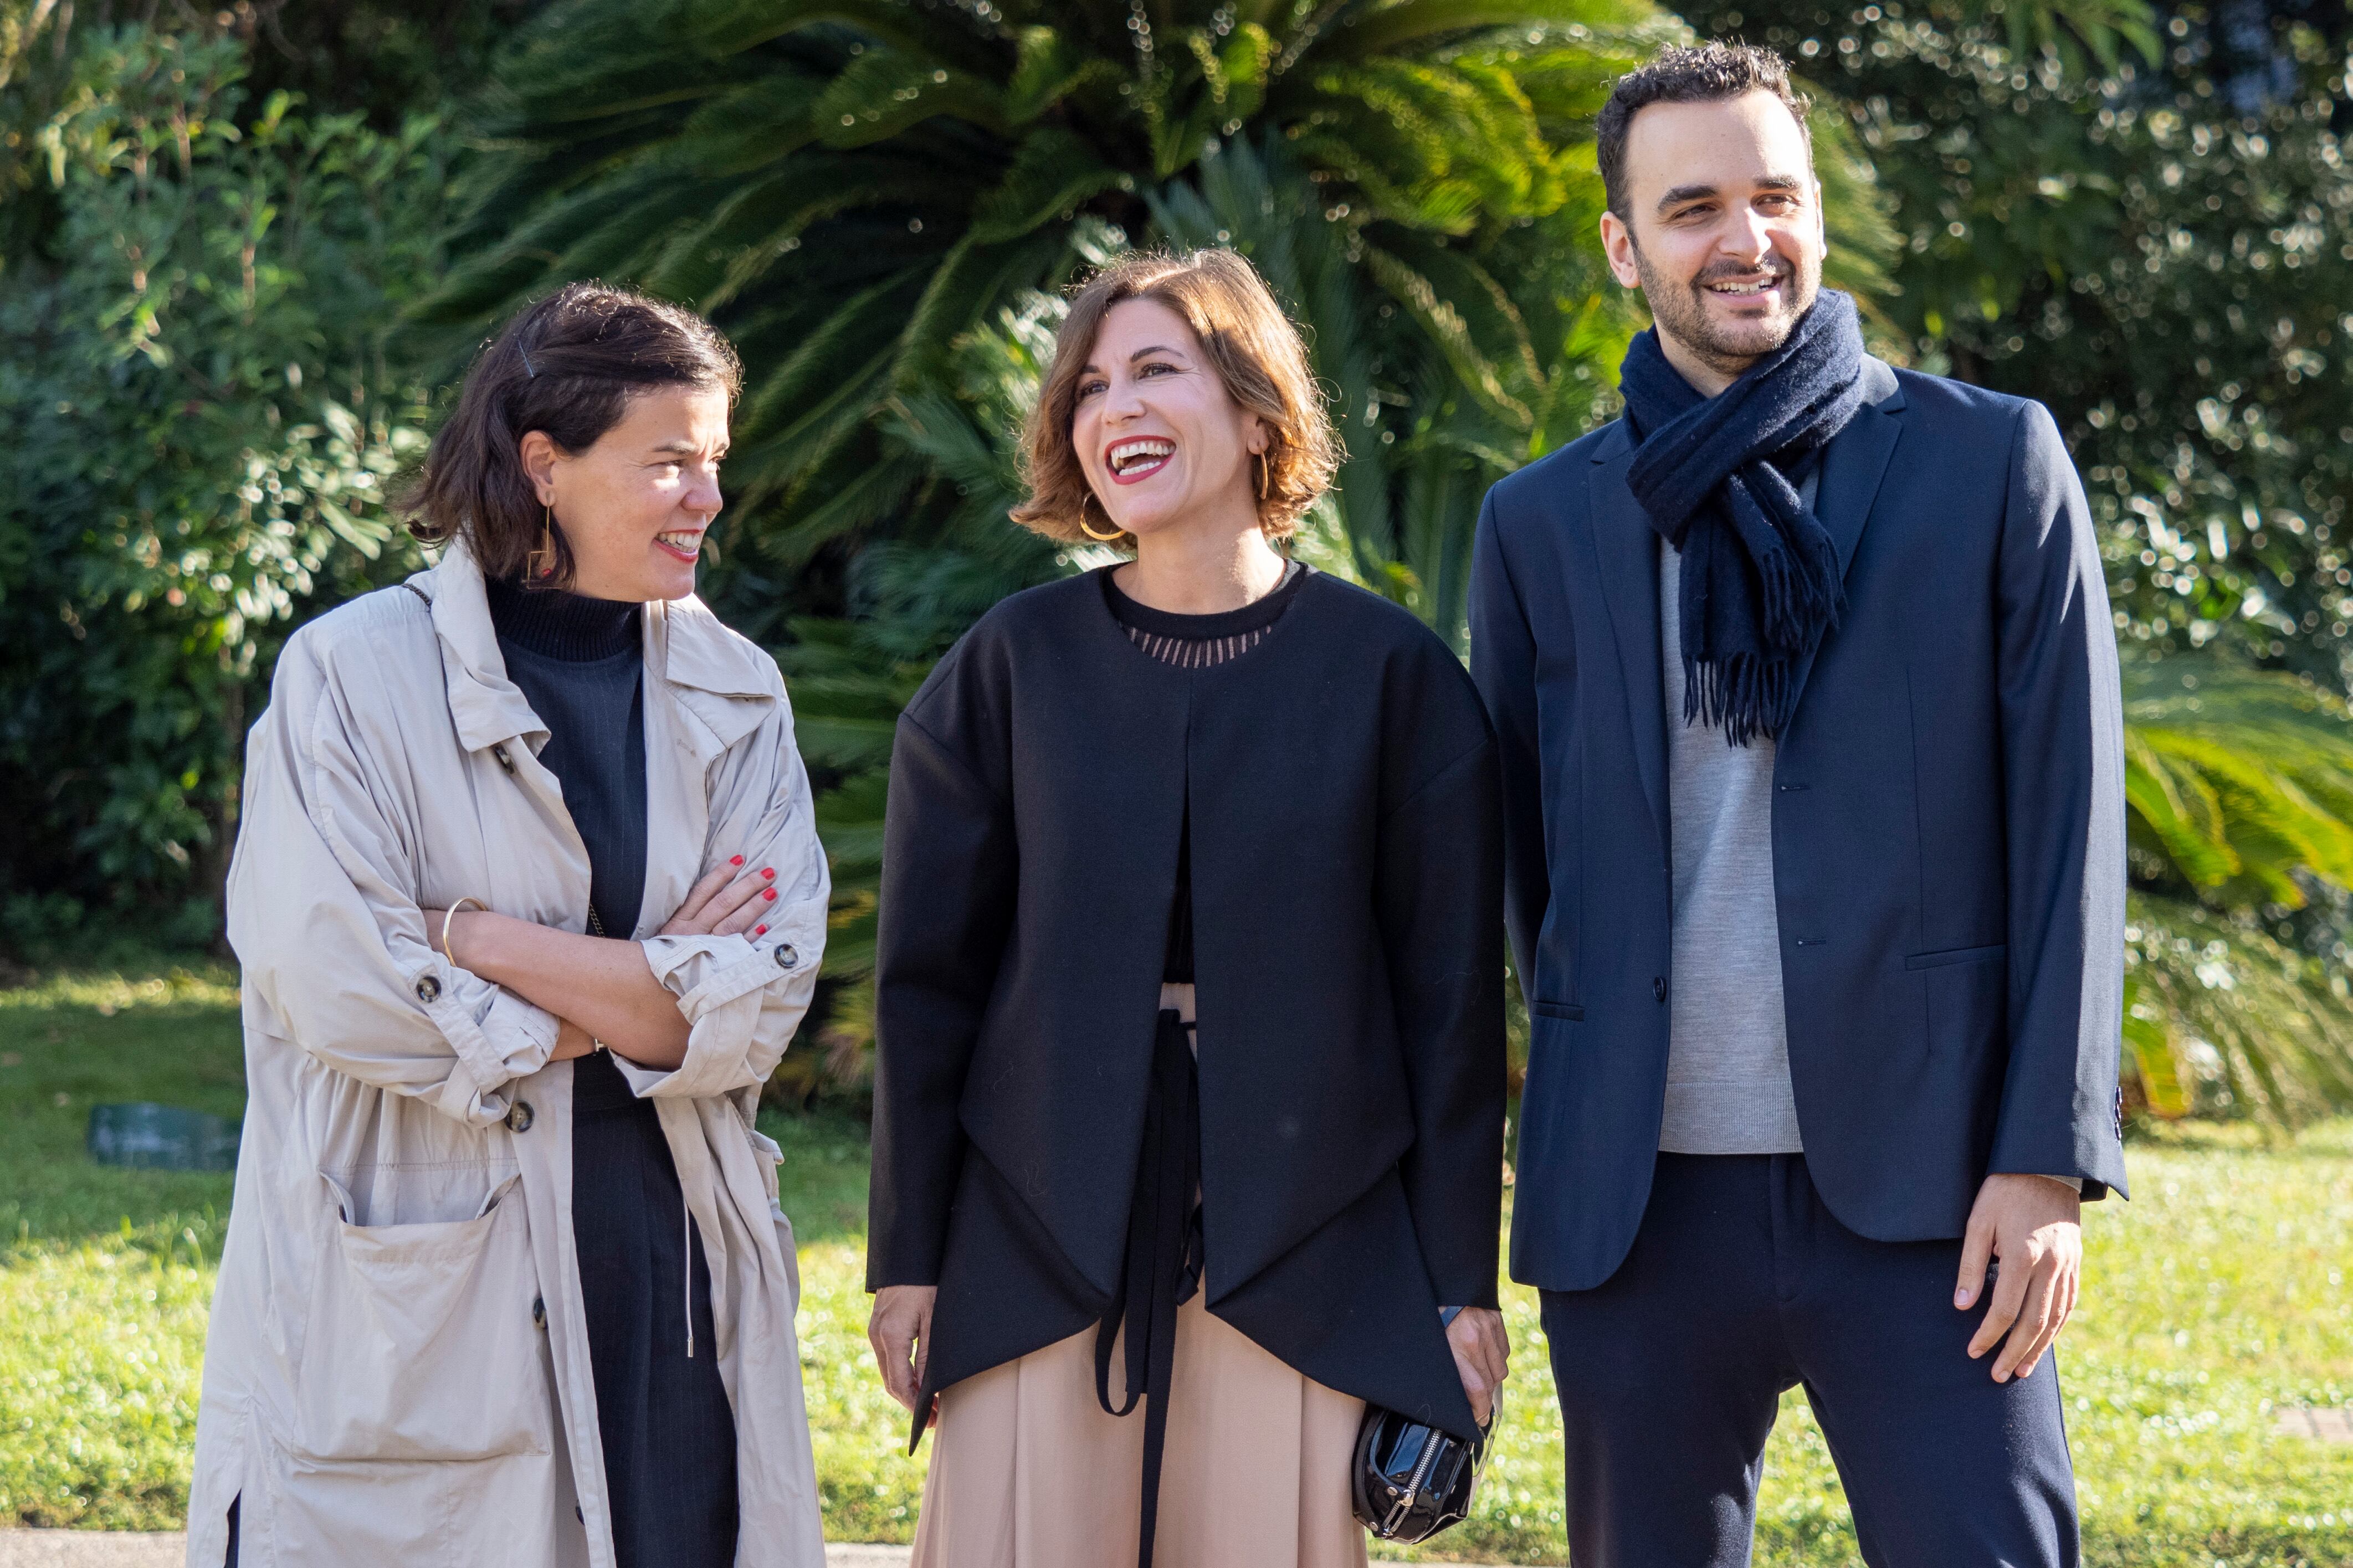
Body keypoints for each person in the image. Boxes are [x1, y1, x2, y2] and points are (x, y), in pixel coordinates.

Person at [1469, 42, 2128, 1567]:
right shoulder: (1542, 523)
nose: (1745, 239)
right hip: (1637, 1210)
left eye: (1776, 195)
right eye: (1693, 207)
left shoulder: (1988, 462)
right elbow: (1522, 861)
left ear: (1818, 211)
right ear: (1625, 246)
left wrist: (2044, 1160)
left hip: (1933, 1196)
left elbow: (2070, 831)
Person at [864, 248, 1510, 1568]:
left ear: (1259, 409)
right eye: (1091, 385)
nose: (1115, 410)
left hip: (1307, 1240)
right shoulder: (1009, 670)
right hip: (1033, 1228)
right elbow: (925, 989)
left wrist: (1457, 1284)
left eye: (1158, 369)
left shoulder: (1393, 676)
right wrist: (905, 1259)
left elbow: (1449, 1013)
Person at [187, 282, 831, 1568]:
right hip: (426, 1272)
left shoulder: (738, 689)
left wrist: (470, 936)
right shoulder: (349, 674)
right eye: (668, 463)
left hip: (663, 1270)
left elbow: (753, 1006)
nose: (708, 497)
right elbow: (338, 981)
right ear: (545, 465)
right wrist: (643, 988)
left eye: (714, 461)